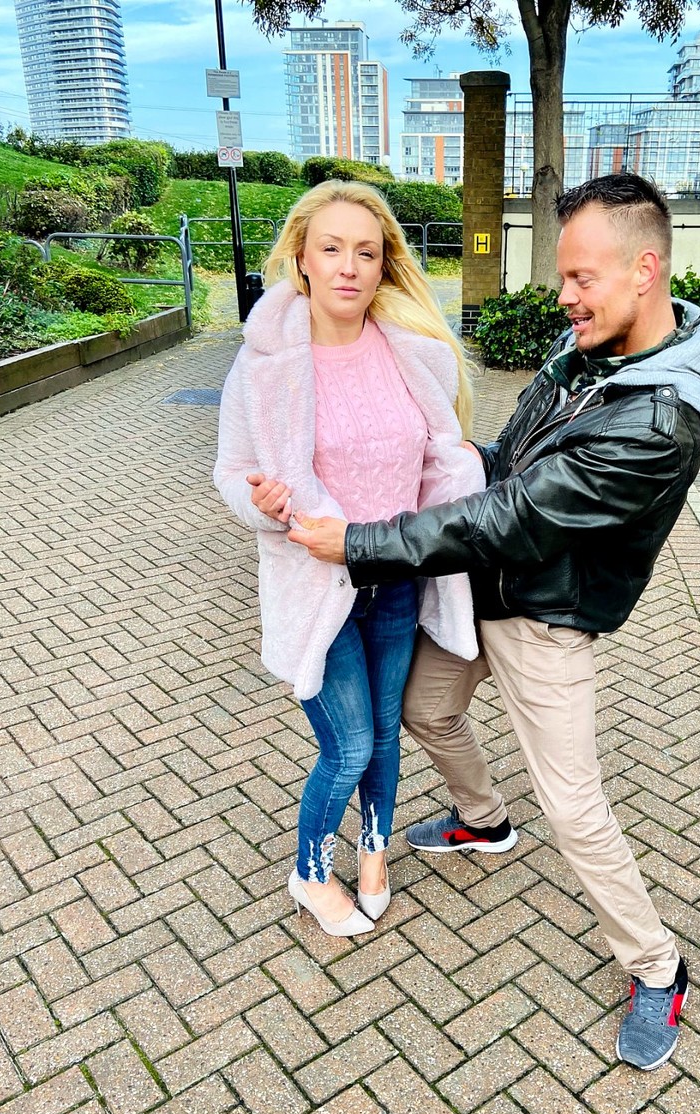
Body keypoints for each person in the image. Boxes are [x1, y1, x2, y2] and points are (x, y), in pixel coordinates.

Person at [287, 173, 700, 1069]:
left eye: (581, 279)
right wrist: (430, 455)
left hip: (546, 616)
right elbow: (503, 465)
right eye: (564, 278)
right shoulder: (584, 356)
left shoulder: (656, 424)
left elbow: (512, 515)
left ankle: (658, 966)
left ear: (644, 271)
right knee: (425, 707)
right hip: (482, 589)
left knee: (574, 808)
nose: (564, 297)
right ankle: (483, 819)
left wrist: (361, 543)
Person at [214, 180, 483, 938]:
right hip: (318, 587)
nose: (348, 267)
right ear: (301, 258)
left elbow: (439, 458)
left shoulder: (412, 354)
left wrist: (462, 473)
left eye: (366, 252)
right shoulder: (264, 366)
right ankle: (307, 872)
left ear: (384, 264)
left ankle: (373, 853)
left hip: (393, 579)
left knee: (388, 735)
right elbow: (231, 472)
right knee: (350, 744)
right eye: (331, 249)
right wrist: (258, 501)